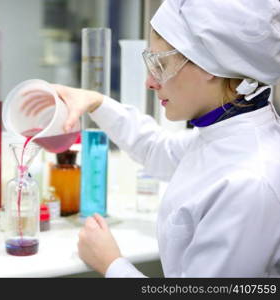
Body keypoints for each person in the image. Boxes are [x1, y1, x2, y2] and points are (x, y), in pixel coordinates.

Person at [53, 0, 280, 277]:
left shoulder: (250, 182)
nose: (150, 81)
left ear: (209, 63)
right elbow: (158, 150)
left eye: (161, 64)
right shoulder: (224, 135)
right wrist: (97, 102)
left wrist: (112, 264)